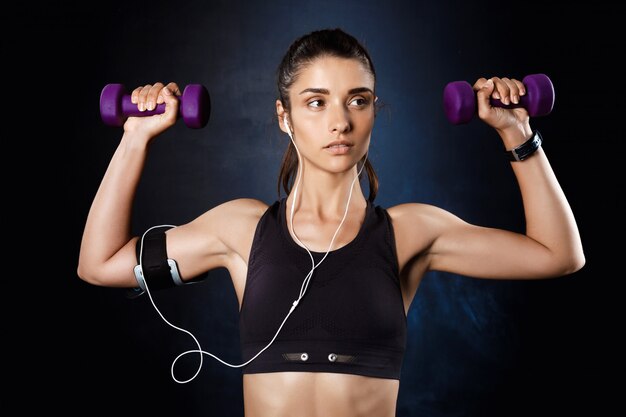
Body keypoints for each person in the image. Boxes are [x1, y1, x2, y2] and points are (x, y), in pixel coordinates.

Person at [78, 27, 585, 417]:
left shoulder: (410, 233)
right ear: (284, 117)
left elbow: (558, 255)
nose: (340, 121)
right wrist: (135, 139)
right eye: (315, 102)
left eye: (357, 101)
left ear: (373, 111)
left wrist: (517, 132)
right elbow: (99, 264)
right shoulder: (240, 230)